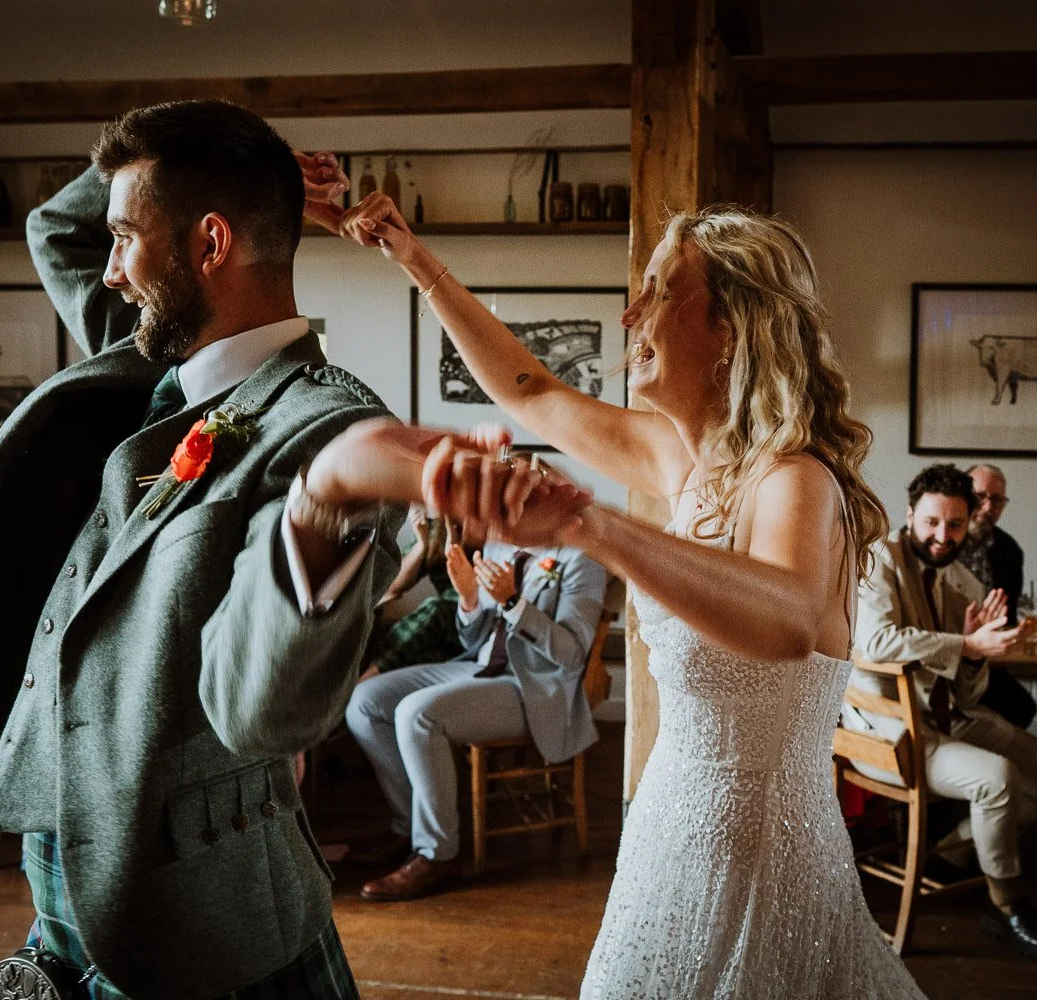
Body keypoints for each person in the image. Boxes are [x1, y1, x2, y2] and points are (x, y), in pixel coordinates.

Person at [300, 165, 927, 996]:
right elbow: (531, 392)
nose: (630, 315)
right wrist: (417, 261)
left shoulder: (794, 479)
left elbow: (787, 622)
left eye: (659, 292)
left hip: (762, 862)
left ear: (731, 326)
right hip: (668, 829)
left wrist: (587, 522)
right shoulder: (684, 460)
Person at [0, 100, 401, 1000]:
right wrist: (221, 146)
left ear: (207, 246)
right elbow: (56, 227)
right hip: (70, 889)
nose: (111, 271)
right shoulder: (145, 363)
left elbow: (275, 703)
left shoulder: (331, 431)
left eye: (127, 239)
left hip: (207, 920)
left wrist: (324, 506)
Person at [851, 463, 1037, 963]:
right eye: (932, 522)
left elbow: (968, 690)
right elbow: (874, 642)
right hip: (888, 732)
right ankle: (1006, 906)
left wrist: (978, 656)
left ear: (969, 522)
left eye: (955, 525)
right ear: (910, 514)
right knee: (997, 778)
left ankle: (957, 848)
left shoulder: (965, 584)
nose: (943, 536)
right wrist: (966, 642)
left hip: (947, 717)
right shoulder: (877, 559)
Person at [346, 537, 606, 900]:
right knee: (365, 701)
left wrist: (514, 603)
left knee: (416, 714)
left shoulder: (582, 561)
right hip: (481, 666)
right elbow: (473, 636)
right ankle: (409, 824)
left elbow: (571, 654)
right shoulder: (499, 548)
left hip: (534, 688)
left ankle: (438, 854)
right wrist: (468, 600)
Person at [958, 462, 1037, 729]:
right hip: (944, 651)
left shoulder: (1009, 550)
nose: (988, 507)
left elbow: (1009, 615)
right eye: (980, 497)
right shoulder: (942, 540)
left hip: (988, 659)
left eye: (997, 500)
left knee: (1023, 707)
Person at [363, 507, 476, 677]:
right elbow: (394, 586)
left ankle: (364, 679)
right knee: (378, 623)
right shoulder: (439, 527)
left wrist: (455, 550)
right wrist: (421, 544)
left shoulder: (487, 527)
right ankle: (357, 680)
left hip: (474, 613)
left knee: (434, 609)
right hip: (443, 630)